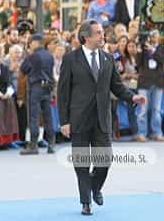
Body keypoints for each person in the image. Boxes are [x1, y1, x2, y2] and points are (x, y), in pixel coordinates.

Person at [57, 19, 145, 215]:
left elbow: (117, 85)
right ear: (86, 37)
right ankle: (85, 202)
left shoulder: (107, 58)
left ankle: (95, 186)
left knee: (104, 160)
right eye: (98, 33)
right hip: (78, 119)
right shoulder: (71, 59)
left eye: (102, 32)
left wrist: (133, 96)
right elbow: (62, 92)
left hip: (102, 118)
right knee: (82, 162)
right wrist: (64, 121)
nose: (102, 36)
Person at [19, 33, 56, 155]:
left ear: (35, 43)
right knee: (48, 116)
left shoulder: (33, 56)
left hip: (35, 86)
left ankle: (33, 145)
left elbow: (23, 69)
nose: (29, 45)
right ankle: (51, 143)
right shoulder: (49, 56)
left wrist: (28, 55)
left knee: (33, 116)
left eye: (30, 43)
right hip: (47, 87)